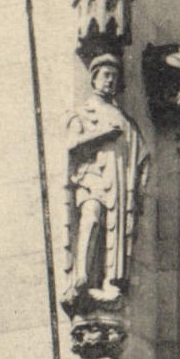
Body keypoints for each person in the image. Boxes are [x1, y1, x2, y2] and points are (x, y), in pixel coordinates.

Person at [62, 54, 149, 316]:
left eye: (114, 77)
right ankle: (81, 279)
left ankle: (110, 283)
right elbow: (71, 145)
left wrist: (141, 184)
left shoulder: (125, 119)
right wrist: (103, 134)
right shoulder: (82, 112)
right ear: (94, 78)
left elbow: (142, 155)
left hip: (120, 185)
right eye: (105, 75)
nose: (110, 81)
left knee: (116, 230)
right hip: (92, 177)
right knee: (90, 216)